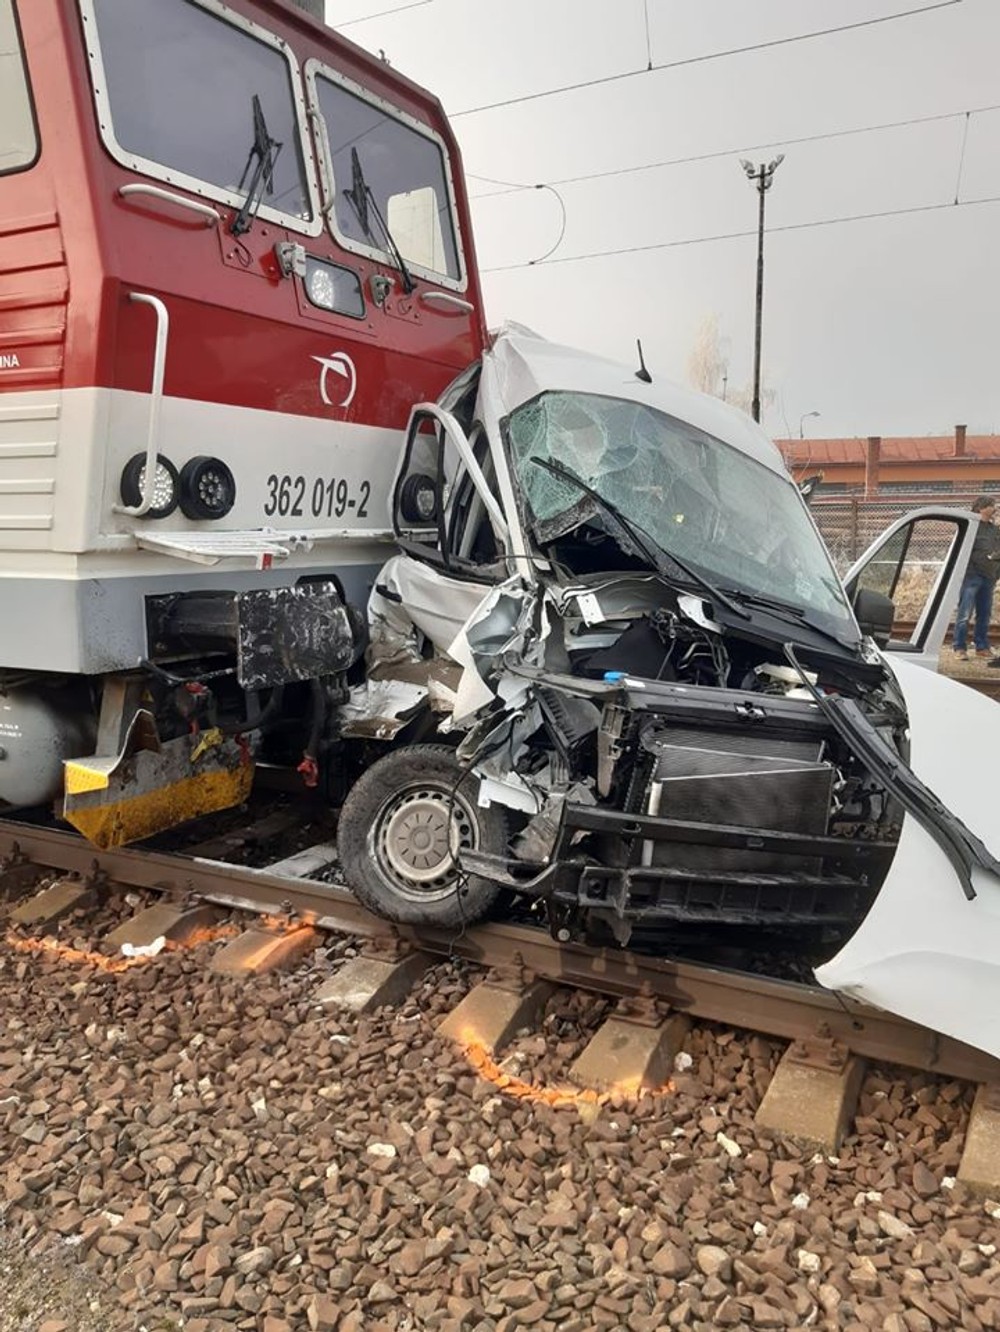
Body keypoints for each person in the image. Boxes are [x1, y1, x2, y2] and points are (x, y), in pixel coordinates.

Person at [952, 495, 1000, 660]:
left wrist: (996, 574)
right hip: (972, 576)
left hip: (989, 576)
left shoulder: (994, 530)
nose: (994, 508)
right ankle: (959, 647)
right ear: (981, 508)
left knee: (984, 613)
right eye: (991, 505)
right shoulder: (970, 526)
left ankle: (981, 646)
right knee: (965, 613)